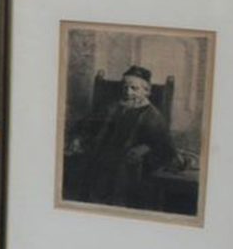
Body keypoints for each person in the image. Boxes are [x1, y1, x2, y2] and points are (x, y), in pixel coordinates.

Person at [64, 66, 178, 211]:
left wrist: (146, 148)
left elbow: (165, 146)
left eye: (134, 88)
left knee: (117, 185)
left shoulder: (152, 116)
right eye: (125, 87)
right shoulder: (112, 107)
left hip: (127, 162)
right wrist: (78, 138)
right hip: (100, 154)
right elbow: (88, 125)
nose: (128, 92)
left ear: (146, 91)